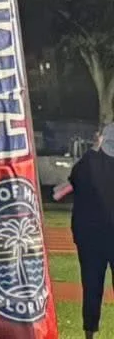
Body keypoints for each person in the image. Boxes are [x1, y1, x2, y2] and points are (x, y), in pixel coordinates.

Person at [60, 124, 114, 336]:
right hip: (104, 234)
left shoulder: (89, 163)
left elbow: (74, 178)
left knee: (91, 287)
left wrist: (93, 149)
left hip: (90, 237)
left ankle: (89, 333)